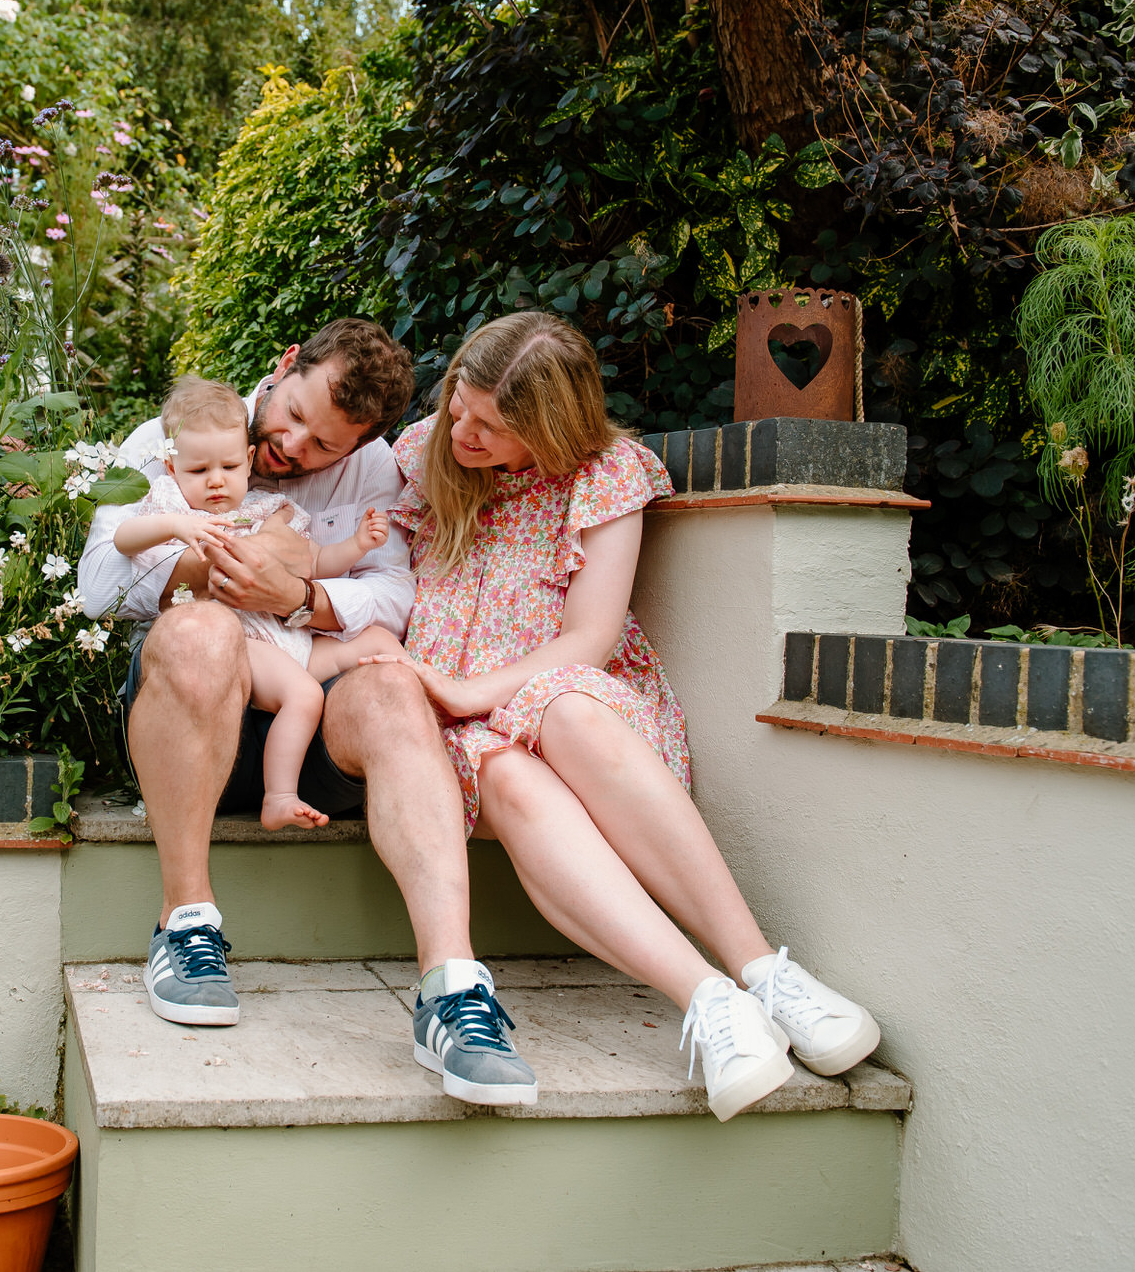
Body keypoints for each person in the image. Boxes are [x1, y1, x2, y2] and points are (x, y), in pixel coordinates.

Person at [367, 312, 883, 1121]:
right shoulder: (418, 455)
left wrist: (480, 688)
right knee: (506, 774)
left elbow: (590, 638)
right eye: (459, 406)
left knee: (564, 705)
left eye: (490, 425)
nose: (459, 431)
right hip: (465, 733)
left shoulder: (605, 474)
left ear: (549, 425)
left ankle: (763, 971)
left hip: (577, 702)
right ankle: (709, 998)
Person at [80, 318, 541, 1106]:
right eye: (293, 416)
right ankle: (186, 921)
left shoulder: (371, 474)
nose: (295, 447)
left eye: (325, 445)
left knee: (395, 682)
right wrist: (212, 565)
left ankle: (454, 992)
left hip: (308, 711)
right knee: (199, 631)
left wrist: (299, 596)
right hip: (188, 717)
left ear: (359, 442)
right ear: (287, 363)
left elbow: (396, 597)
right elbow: (96, 585)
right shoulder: (174, 434)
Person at [112, 376, 399, 831]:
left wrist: (359, 545)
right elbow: (123, 539)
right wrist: (174, 527)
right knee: (303, 696)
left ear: (247, 461)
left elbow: (318, 561)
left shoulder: (268, 509)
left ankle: (419, 748)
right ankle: (279, 795)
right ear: (172, 469)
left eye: (228, 467)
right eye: (197, 471)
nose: (214, 482)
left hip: (288, 638)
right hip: (239, 646)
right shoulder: (170, 503)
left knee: (379, 640)